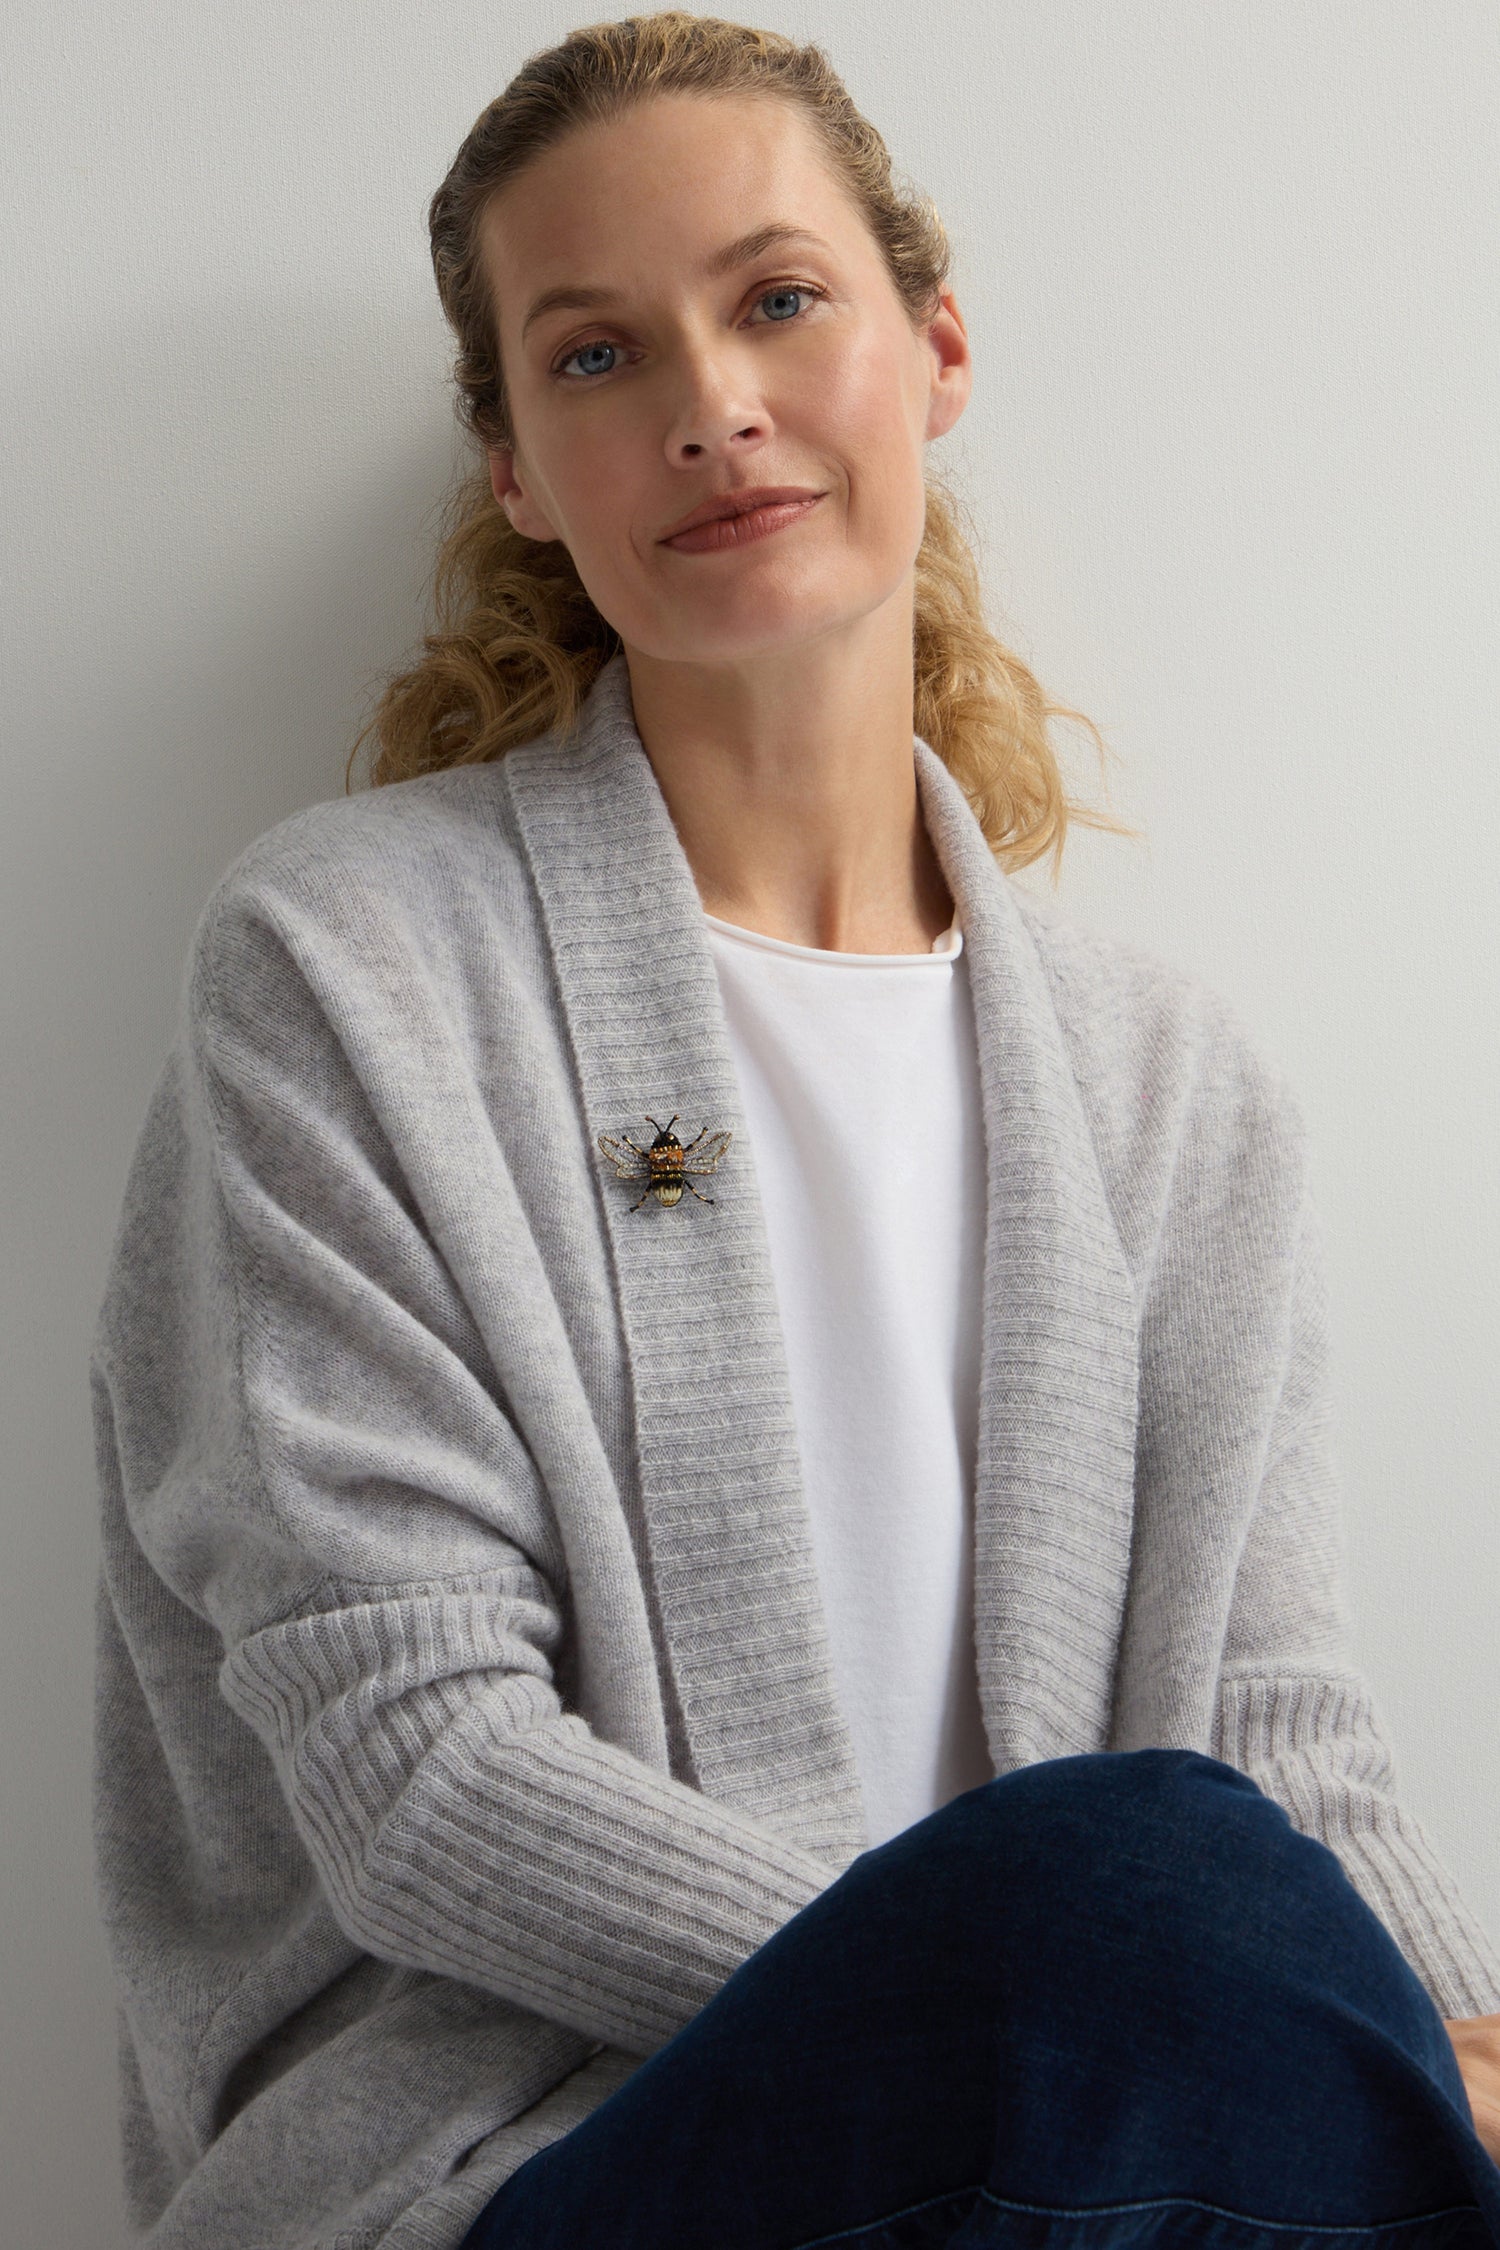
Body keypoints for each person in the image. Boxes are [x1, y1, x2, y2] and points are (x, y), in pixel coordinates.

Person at [89, 11, 1500, 2247]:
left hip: (1109, 2152)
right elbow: (415, 1770)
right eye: (591, 358)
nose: (708, 405)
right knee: (1140, 1869)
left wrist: (1447, 2037)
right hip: (534, 2173)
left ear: (933, 346)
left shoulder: (1172, 1094)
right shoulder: (352, 973)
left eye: (775, 301)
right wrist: (1021, 1981)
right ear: (518, 476)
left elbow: (1284, 1729)